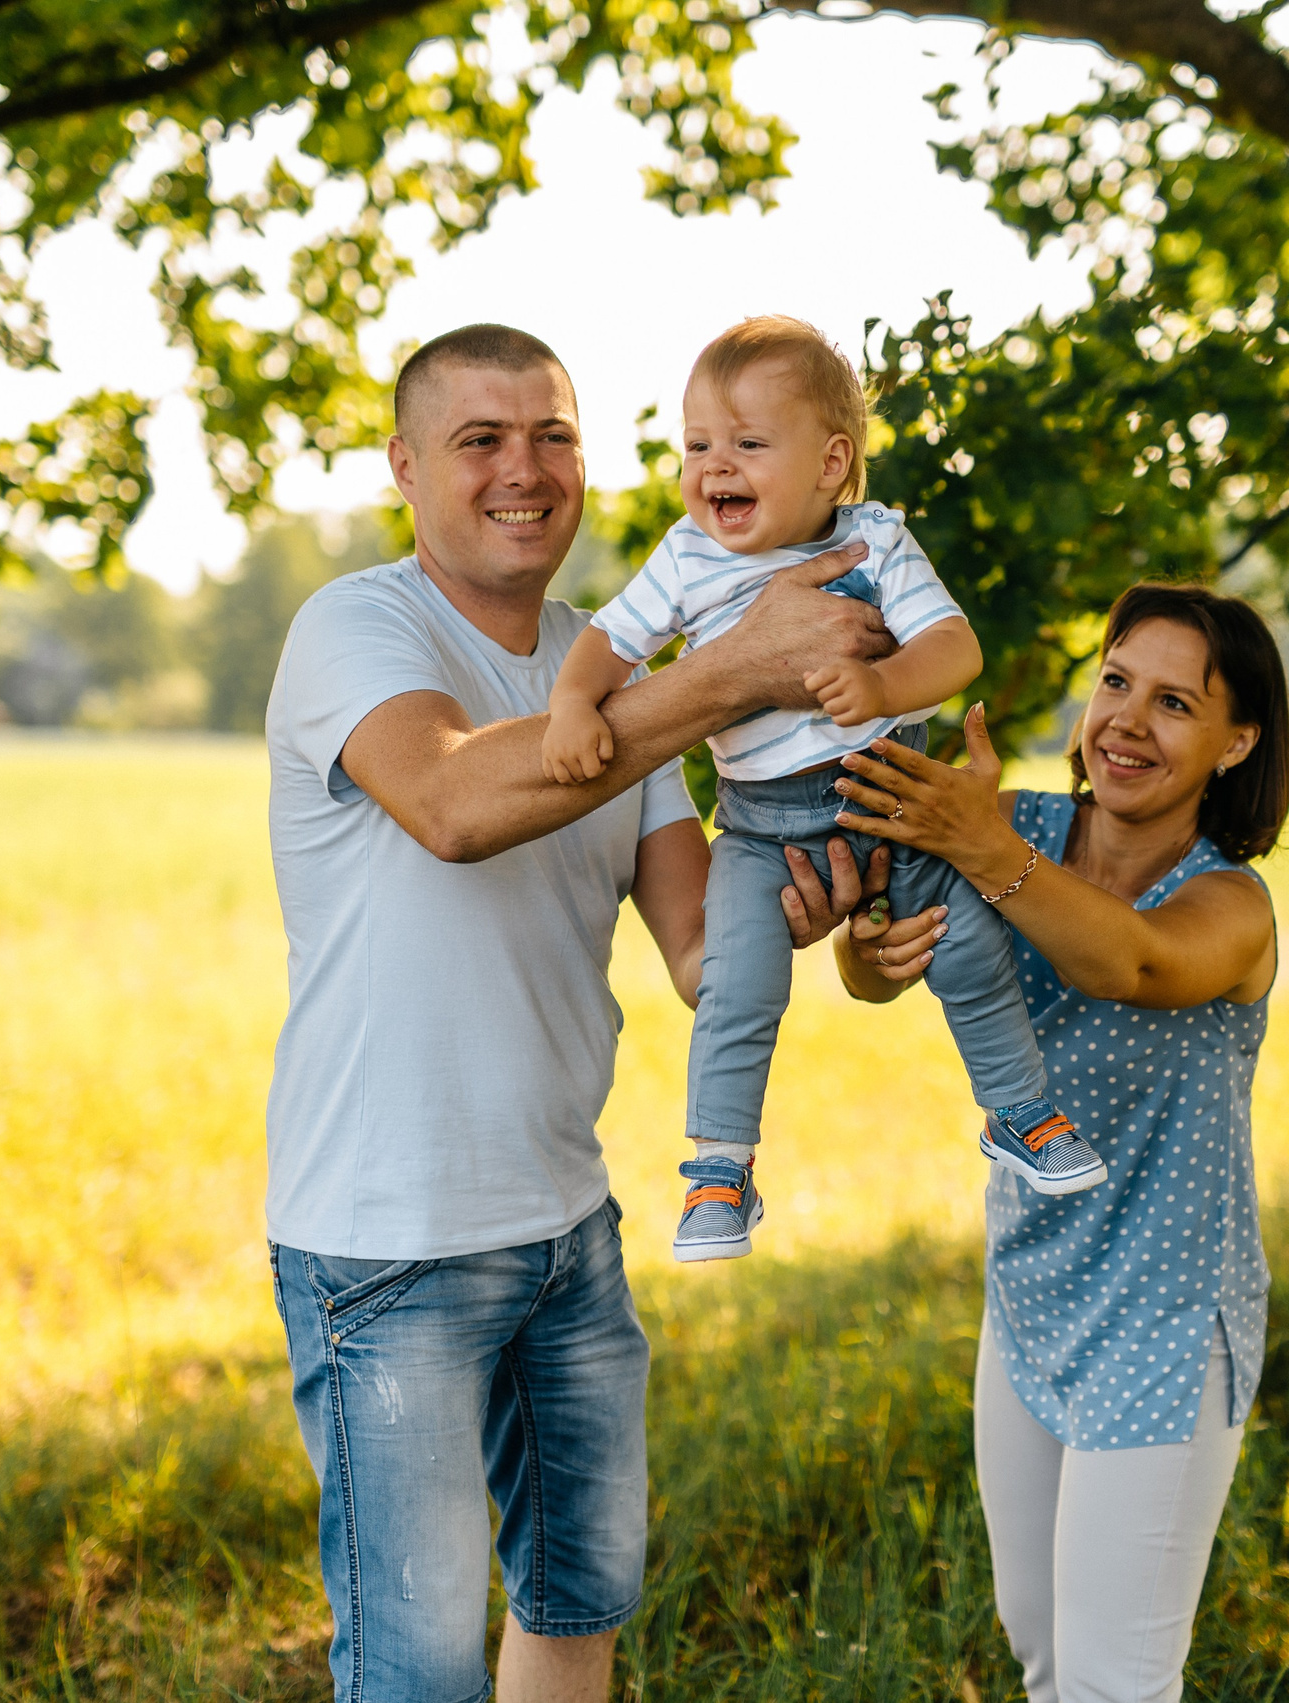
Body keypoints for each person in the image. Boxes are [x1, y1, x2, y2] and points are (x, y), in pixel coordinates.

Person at [261, 322, 891, 1703]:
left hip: (565, 1231)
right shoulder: (358, 626)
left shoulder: (614, 672)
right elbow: (453, 803)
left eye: (553, 434)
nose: (524, 469)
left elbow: (696, 947)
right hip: (388, 1243)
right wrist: (738, 669)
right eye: (481, 438)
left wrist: (846, 920)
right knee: (415, 1670)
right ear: (406, 466)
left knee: (578, 1604)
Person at [542, 316, 1103, 1265]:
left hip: (894, 804)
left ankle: (1020, 1112)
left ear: (832, 463)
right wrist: (570, 701)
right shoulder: (688, 556)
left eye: (749, 444)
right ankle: (719, 1168)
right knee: (736, 983)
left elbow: (953, 647)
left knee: (967, 944)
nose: (715, 466)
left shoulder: (876, 542)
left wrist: (884, 686)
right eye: (699, 445)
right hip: (760, 838)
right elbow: (610, 639)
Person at [817, 582, 1289, 1703]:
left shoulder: (1230, 903)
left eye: (1175, 702)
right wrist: (869, 946)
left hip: (1167, 1325)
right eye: (1116, 681)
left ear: (1237, 742)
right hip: (1029, 1295)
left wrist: (985, 853)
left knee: (1114, 1681)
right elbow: (870, 960)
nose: (1127, 719)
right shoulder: (1013, 824)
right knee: (1040, 1651)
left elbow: (1129, 962)